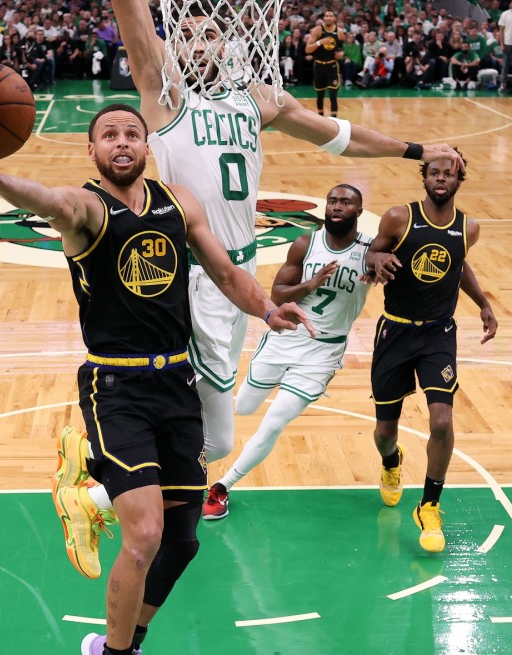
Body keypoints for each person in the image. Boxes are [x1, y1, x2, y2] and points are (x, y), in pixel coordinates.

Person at [0, 103, 310, 655]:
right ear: (91, 151)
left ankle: (118, 645)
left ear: (147, 146)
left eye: (132, 133)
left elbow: (227, 274)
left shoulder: (177, 202)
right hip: (115, 388)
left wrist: (266, 308)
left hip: (175, 383)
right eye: (108, 134)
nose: (121, 141)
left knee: (185, 543)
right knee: (143, 534)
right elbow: (44, 197)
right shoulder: (86, 210)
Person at [53, 0, 465, 540]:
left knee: (218, 442)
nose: (200, 45)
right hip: (196, 277)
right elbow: (133, 20)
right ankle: (97, 490)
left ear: (231, 43)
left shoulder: (259, 100)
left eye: (211, 35)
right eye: (190, 37)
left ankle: (95, 452)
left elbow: (339, 134)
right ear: (175, 45)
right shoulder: (164, 96)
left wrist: (417, 150)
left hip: (238, 282)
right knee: (186, 419)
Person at [204, 184, 372, 519]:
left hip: (323, 352)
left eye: (346, 202)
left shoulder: (371, 250)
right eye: (332, 201)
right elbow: (278, 295)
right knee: (245, 407)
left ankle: (222, 487)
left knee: (273, 422)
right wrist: (311, 284)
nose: (337, 207)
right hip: (286, 337)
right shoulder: (305, 244)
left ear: (359, 211)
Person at [364, 153, 497, 553]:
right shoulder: (397, 218)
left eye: (449, 174)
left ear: (460, 179)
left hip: (438, 336)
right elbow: (371, 254)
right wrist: (375, 259)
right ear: (424, 177)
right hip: (395, 331)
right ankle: (392, 462)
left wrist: (483, 304)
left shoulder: (467, 228)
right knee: (385, 433)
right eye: (434, 173)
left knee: (441, 422)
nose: (441, 179)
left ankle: (429, 504)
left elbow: (458, 266)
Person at [306, 10, 344, 116]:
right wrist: (320, 42)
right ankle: (320, 118)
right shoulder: (317, 31)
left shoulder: (339, 31)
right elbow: (308, 50)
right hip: (319, 65)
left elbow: (341, 48)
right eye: (326, 16)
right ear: (324, 18)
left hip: (332, 66)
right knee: (320, 94)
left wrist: (340, 54)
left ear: (334, 18)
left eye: (331, 16)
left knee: (333, 94)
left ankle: (334, 119)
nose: (328, 18)